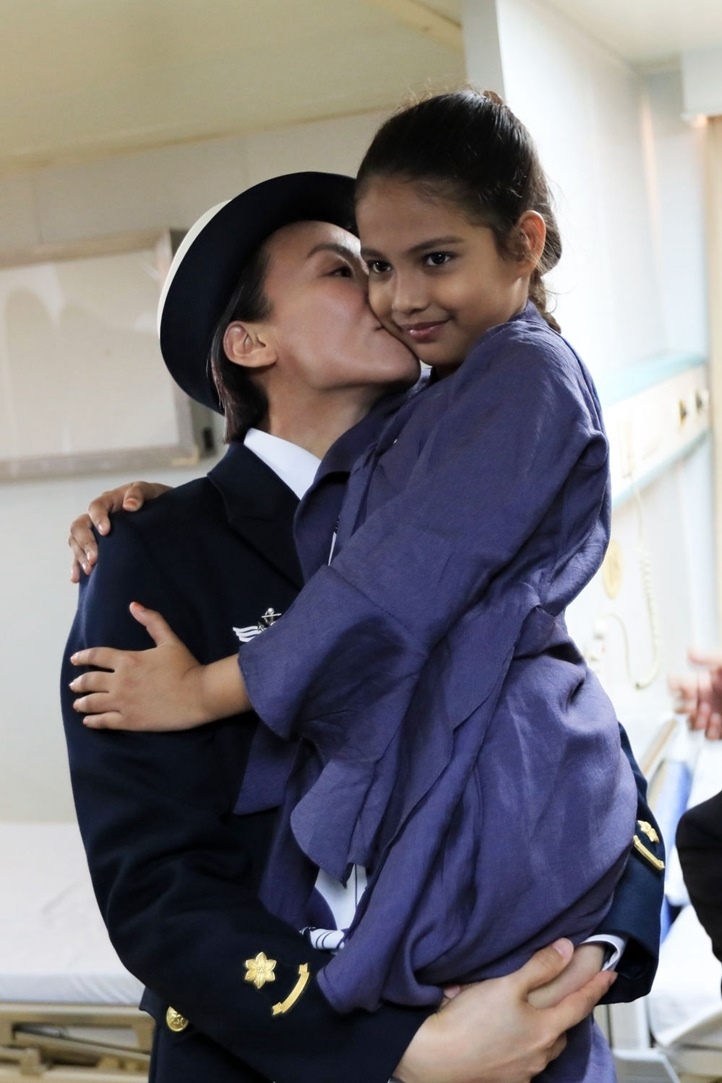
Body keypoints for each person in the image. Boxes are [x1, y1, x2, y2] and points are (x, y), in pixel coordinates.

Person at [69, 93, 666, 1079]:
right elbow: (156, 886)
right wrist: (401, 1052)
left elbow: (562, 724)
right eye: (352, 270)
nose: (393, 294)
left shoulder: (474, 464)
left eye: (407, 262)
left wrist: (589, 956)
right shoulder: (154, 554)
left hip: (526, 1033)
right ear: (251, 344)